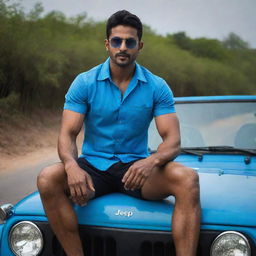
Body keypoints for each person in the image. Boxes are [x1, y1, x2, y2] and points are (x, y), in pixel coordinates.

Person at [37, 10, 201, 256]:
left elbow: (173, 140)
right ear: (107, 44)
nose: (123, 47)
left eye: (130, 42)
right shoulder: (84, 82)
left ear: (139, 46)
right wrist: (71, 166)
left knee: (188, 180)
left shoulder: (157, 86)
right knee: (47, 178)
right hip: (92, 168)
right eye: (117, 41)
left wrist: (151, 161)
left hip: (136, 170)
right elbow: (67, 134)